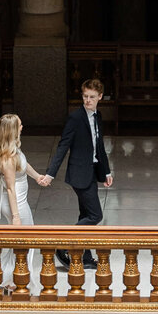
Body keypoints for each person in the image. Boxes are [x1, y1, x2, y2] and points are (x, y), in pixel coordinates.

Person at [37, 78, 112, 270]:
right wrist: (50, 174)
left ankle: (85, 257)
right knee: (96, 215)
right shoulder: (76, 118)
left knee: (86, 213)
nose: (88, 100)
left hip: (92, 171)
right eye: (85, 96)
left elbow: (99, 146)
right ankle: (63, 243)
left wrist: (107, 172)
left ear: (100, 97)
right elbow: (63, 146)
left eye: (92, 97)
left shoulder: (98, 116)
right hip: (79, 174)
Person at [0, 112, 41, 288]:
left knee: (21, 240)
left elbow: (24, 165)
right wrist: (16, 217)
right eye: (19, 125)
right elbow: (11, 188)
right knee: (25, 239)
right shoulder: (7, 157)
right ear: (13, 130)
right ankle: (14, 279)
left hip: (19, 201)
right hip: (16, 204)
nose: (22, 127)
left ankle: (15, 275)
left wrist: (37, 177)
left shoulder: (14, 149)